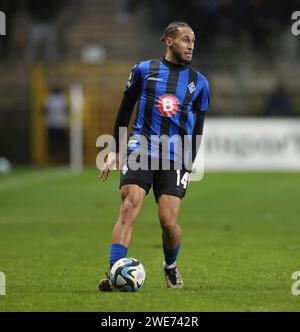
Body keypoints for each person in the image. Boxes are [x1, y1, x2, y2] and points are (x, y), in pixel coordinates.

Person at [98, 21, 209, 291]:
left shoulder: (199, 83)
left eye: (193, 40)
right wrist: (114, 150)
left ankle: (170, 267)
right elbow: (125, 110)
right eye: (185, 39)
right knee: (128, 206)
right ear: (169, 41)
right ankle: (115, 272)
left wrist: (189, 163)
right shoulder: (144, 70)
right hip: (142, 147)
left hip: (175, 156)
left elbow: (198, 128)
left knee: (168, 222)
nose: (191, 44)